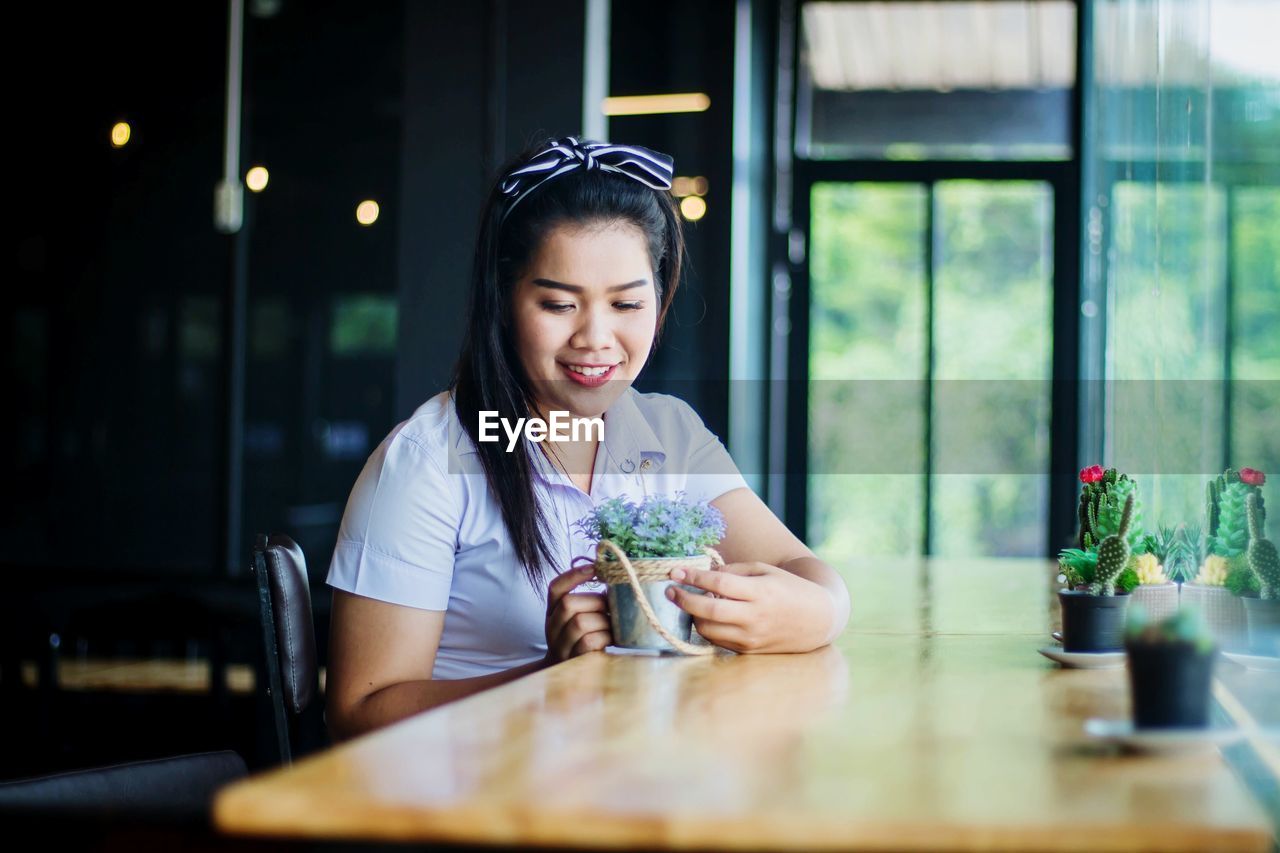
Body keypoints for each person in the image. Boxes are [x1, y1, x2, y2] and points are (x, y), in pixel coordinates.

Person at [325, 137, 850, 740]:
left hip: (631, 782)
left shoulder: (669, 434)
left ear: (661, 298)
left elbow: (801, 570)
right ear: (503, 302)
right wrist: (549, 676)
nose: (596, 338)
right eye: (558, 304)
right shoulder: (428, 461)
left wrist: (818, 611)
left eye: (627, 303)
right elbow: (357, 715)